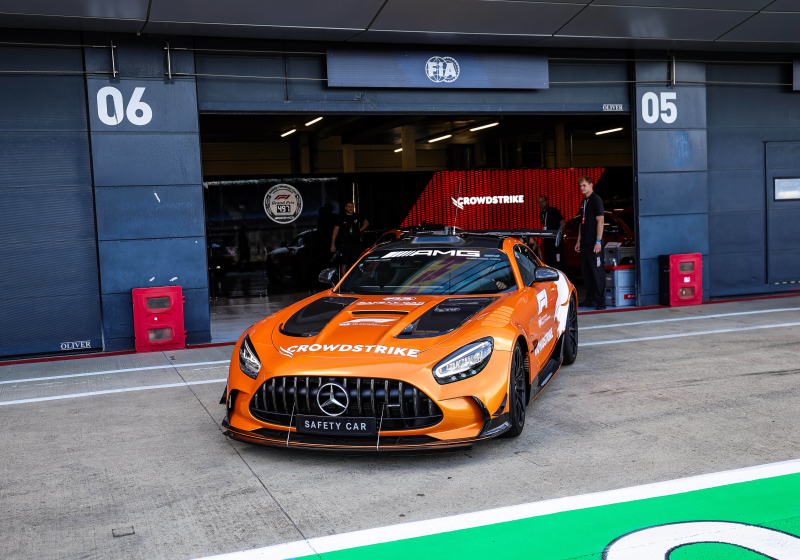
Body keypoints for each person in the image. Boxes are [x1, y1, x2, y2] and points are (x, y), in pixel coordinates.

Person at [574, 176, 606, 310]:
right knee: (586, 272)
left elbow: (600, 221)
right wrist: (578, 241)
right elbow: (582, 223)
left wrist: (598, 241)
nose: (582, 188)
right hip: (585, 242)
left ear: (591, 185)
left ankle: (601, 301)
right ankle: (590, 299)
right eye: (580, 186)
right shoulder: (584, 201)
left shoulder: (596, 200)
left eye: (584, 185)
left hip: (594, 243)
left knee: (597, 271)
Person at [331, 201, 369, 277]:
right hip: (345, 244)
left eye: (352, 206)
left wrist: (359, 230)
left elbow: (366, 223)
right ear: (345, 208)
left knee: (355, 263)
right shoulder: (341, 217)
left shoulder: (357, 216)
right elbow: (335, 231)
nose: (350, 208)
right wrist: (332, 244)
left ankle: (354, 281)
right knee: (344, 263)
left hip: (356, 244)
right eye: (349, 206)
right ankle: (343, 283)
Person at [534, 196, 566, 269]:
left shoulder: (554, 211)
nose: (541, 203)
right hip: (547, 241)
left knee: (558, 262)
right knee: (548, 261)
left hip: (555, 242)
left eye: (543, 201)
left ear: (547, 202)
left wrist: (559, 237)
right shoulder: (541, 215)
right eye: (540, 202)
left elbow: (563, 224)